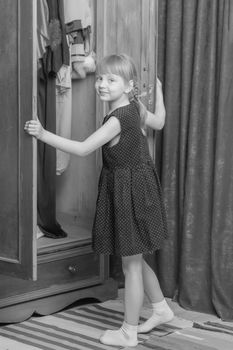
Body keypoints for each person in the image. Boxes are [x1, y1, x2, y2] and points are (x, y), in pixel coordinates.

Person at [24, 53, 174, 347]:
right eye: (100, 78)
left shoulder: (119, 118)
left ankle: (129, 331)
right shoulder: (135, 106)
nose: (102, 84)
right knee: (136, 255)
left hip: (129, 188)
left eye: (111, 79)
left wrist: (43, 133)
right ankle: (161, 309)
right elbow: (159, 122)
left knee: (130, 264)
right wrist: (159, 92)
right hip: (138, 185)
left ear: (128, 85)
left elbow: (82, 149)